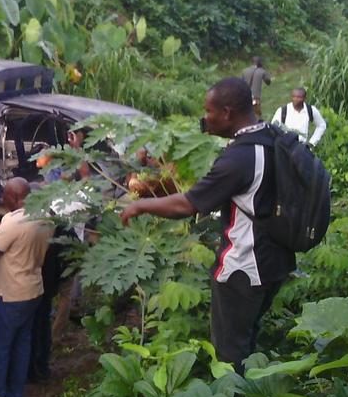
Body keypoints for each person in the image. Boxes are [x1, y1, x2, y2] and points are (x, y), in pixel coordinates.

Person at [121, 78, 295, 371]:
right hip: (276, 260)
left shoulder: (238, 159)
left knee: (229, 355)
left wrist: (139, 205)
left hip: (243, 267)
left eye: (209, 111)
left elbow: (186, 205)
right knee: (247, 340)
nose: (205, 118)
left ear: (227, 113)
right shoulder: (272, 136)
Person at [0, 178, 52, 397]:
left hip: (10, 294)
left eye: (5, 195)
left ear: (15, 197)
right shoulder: (45, 216)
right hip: (33, 289)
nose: (2, 199)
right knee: (21, 345)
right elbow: (20, 242)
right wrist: (0, 231)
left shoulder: (13, 221)